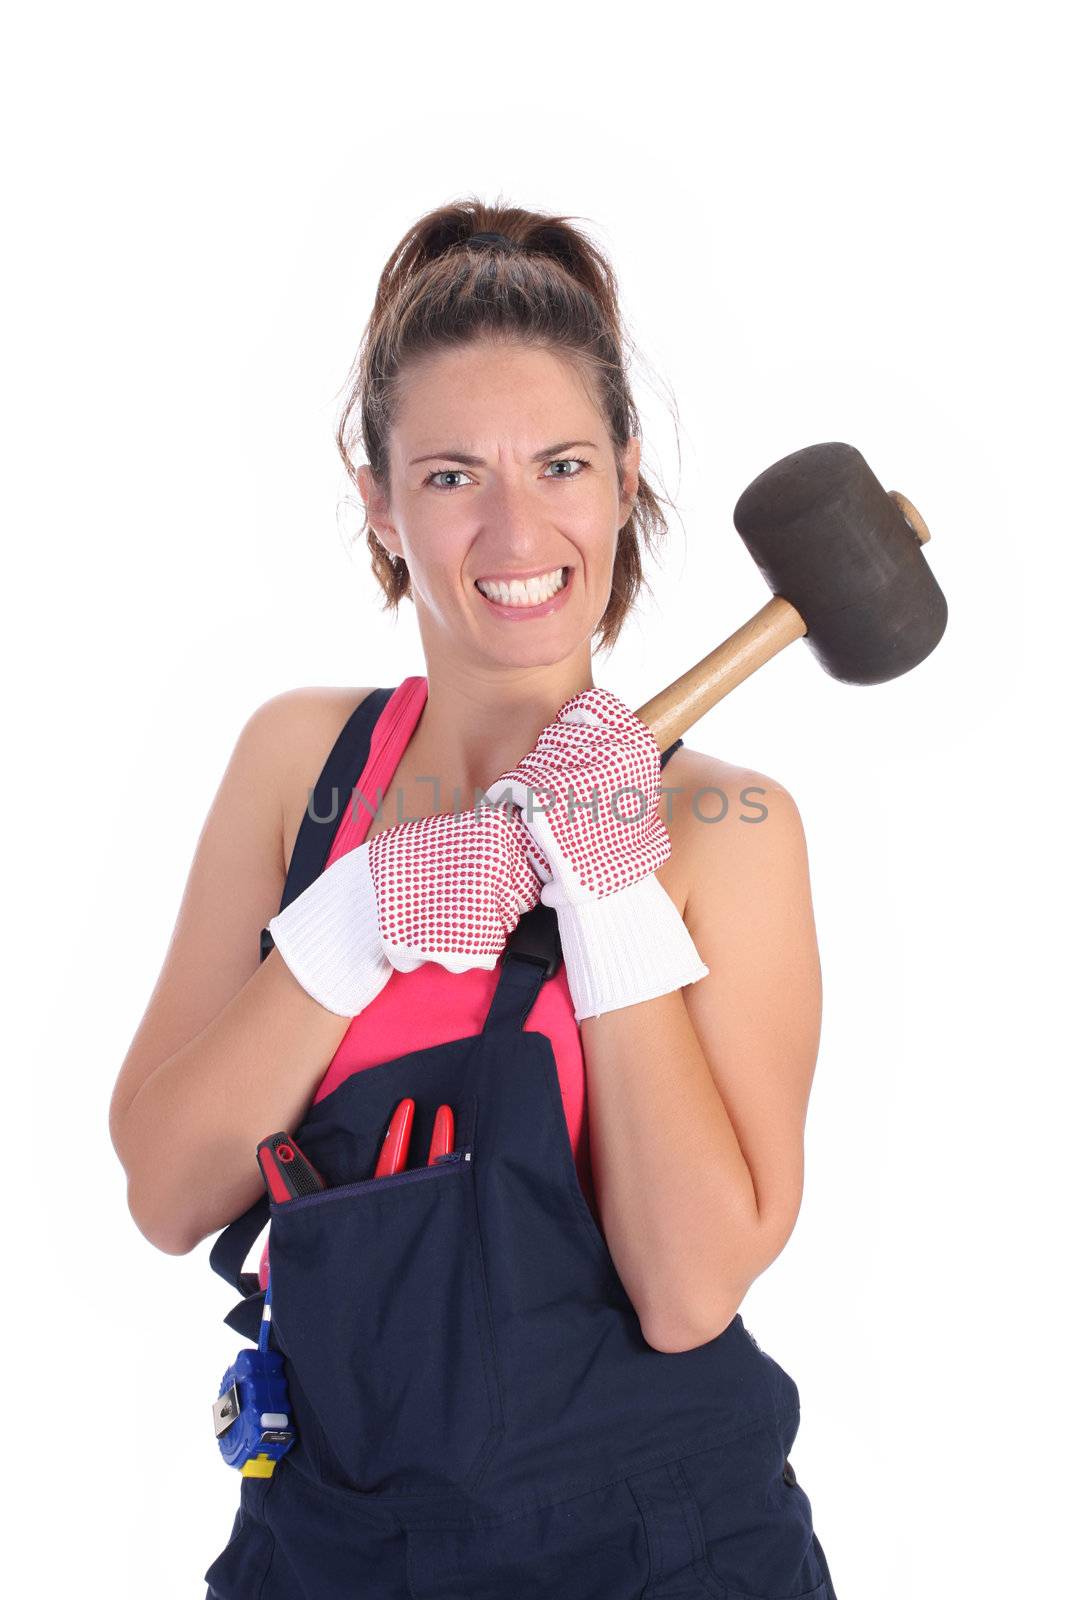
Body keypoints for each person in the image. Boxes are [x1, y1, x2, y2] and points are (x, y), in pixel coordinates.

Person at [109, 197, 837, 1599]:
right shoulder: (302, 770)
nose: (517, 526)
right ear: (377, 497)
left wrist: (614, 898)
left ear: (626, 477)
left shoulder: (723, 832)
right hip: (325, 1546)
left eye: (563, 463)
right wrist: (358, 919)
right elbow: (165, 1187)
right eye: (451, 476)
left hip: (659, 1551)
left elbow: (690, 1294)